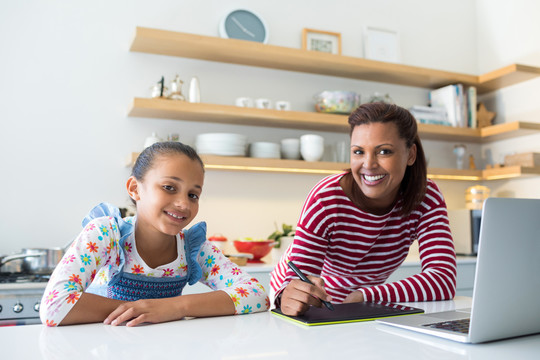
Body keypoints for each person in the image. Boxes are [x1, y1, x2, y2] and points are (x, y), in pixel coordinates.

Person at [40, 142, 269, 326]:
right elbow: (54, 306)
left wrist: (174, 307)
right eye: (169, 187)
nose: (183, 204)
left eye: (193, 195)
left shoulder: (192, 247)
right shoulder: (107, 234)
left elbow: (257, 295)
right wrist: (146, 310)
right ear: (134, 188)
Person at [270, 102, 457, 316]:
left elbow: (442, 279)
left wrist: (366, 296)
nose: (368, 164)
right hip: (312, 301)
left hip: (364, 302)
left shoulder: (426, 197)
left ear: (411, 154)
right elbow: (300, 282)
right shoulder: (326, 198)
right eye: (358, 152)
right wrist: (288, 296)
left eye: (384, 151)